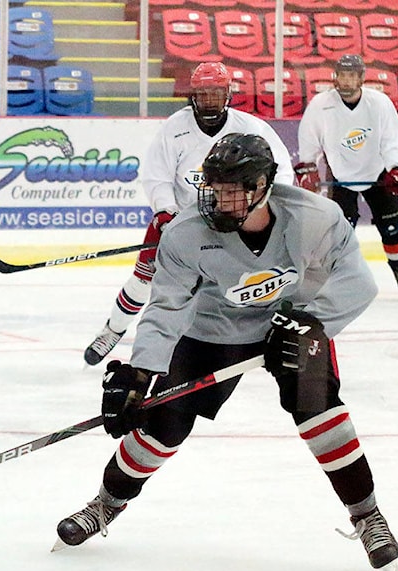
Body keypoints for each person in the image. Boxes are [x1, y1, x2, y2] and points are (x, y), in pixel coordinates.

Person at [57, 134, 398, 571]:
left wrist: (310, 322)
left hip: (291, 323)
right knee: (163, 425)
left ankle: (368, 516)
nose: (218, 201)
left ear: (262, 187)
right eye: (214, 189)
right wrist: (141, 373)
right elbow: (167, 307)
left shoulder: (316, 217)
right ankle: (106, 504)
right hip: (213, 329)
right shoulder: (186, 233)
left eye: (231, 191)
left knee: (319, 410)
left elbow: (358, 283)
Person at [84, 61, 295, 366]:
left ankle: (244, 338)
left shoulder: (251, 128)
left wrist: (259, 205)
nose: (209, 100)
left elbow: (281, 170)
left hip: (232, 218)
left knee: (238, 282)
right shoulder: (175, 128)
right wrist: (166, 212)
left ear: (228, 94)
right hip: (182, 219)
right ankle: (112, 330)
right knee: (144, 279)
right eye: (203, 93)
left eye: (216, 93)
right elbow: (157, 176)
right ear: (193, 95)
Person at [296, 54, 398, 300]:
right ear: (335, 77)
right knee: (341, 233)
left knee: (391, 226)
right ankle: (337, 279)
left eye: (351, 75)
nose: (346, 80)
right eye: (342, 75)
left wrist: (395, 167)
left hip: (377, 173)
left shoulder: (379, 103)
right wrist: (308, 167)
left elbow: (392, 140)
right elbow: (309, 139)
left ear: (361, 78)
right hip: (340, 175)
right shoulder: (321, 105)